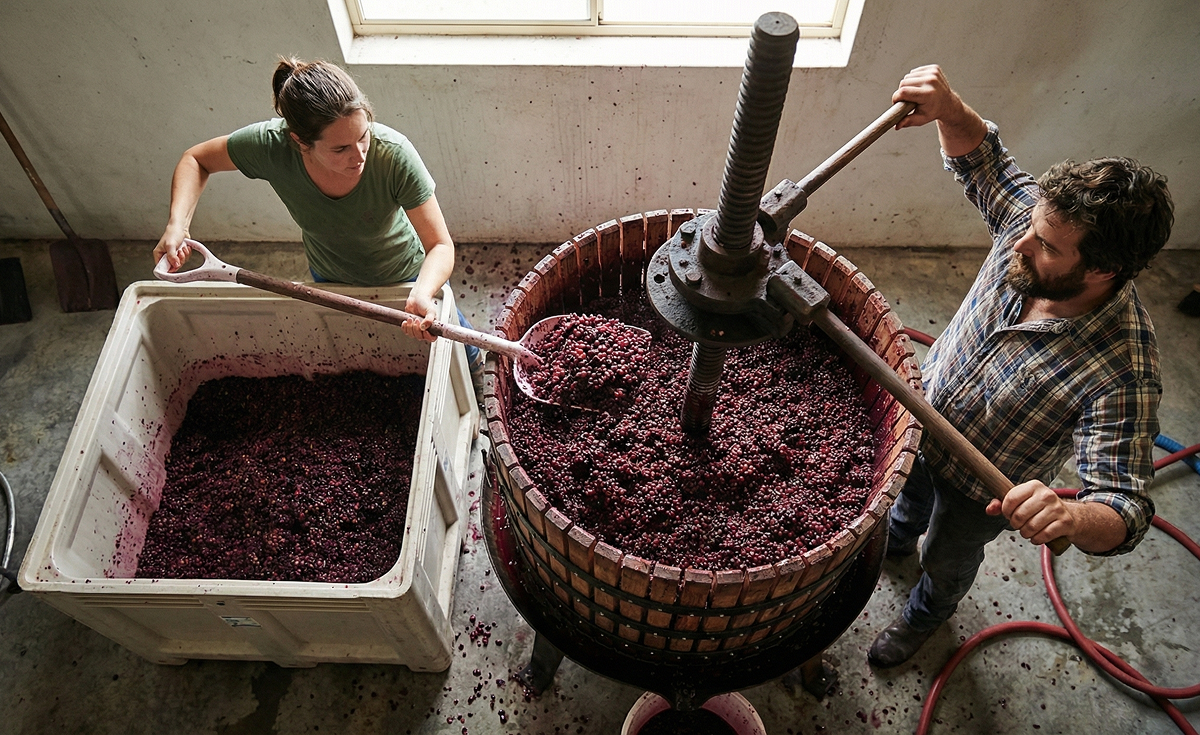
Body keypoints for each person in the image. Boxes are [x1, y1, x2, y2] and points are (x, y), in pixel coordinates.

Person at [868, 65, 1174, 668]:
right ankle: (894, 544)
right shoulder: (1033, 224)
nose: (1019, 244)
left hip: (980, 491)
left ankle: (923, 617)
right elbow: (985, 160)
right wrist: (950, 108)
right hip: (920, 418)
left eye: (1047, 247)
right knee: (903, 503)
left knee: (948, 559)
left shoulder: (1122, 367)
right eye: (1032, 227)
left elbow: (1126, 507)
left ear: (1103, 271)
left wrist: (1071, 513)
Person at [153, 56, 483, 384]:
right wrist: (177, 226)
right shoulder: (271, 146)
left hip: (405, 274)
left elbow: (439, 245)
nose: (359, 156)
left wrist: (422, 294)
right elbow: (196, 159)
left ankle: (475, 370)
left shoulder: (394, 155)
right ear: (299, 141)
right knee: (367, 353)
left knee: (456, 344)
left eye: (364, 136)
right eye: (340, 149)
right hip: (330, 278)